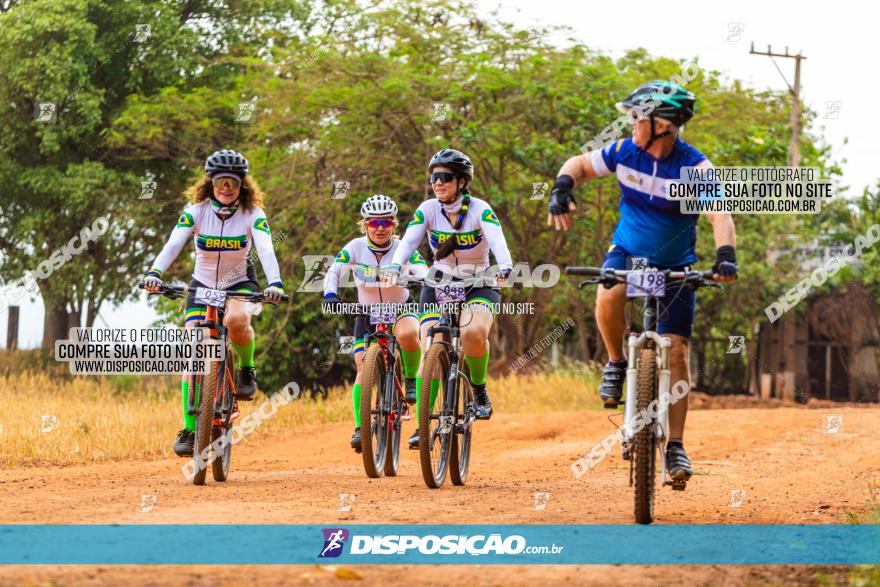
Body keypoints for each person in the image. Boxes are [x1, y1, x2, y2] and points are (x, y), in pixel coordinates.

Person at [547, 81, 738, 483]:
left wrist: (725, 255)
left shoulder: (693, 167)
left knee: (679, 352)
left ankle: (676, 448)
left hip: (676, 265)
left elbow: (720, 213)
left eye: (638, 118)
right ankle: (616, 362)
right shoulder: (624, 151)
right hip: (628, 254)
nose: (630, 123)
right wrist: (562, 189)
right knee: (608, 290)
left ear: (663, 125)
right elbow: (579, 165)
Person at [143, 149, 285, 456]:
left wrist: (275, 283)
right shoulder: (195, 210)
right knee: (195, 349)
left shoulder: (253, 214)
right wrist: (155, 273)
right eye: (220, 181)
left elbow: (266, 249)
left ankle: (246, 367)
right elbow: (173, 244)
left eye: (232, 182)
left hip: (240, 282)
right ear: (211, 183)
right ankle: (189, 427)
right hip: (202, 284)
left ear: (241, 185)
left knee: (236, 321)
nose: (226, 187)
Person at [386, 149, 513, 450]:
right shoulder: (428, 209)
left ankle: (480, 389)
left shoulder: (480, 210)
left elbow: (498, 241)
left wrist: (505, 266)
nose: (438, 183)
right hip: (438, 282)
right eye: (434, 177)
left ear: (461, 181)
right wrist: (394, 265)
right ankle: (422, 423)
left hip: (478, 282)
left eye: (444, 177)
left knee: (472, 333)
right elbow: (408, 241)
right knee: (430, 346)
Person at [322, 195, 427, 451]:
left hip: (401, 307)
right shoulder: (355, 247)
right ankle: (361, 427)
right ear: (365, 225)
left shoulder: (404, 247)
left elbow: (423, 269)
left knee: (409, 334)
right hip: (368, 313)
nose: (380, 228)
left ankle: (411, 379)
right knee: (362, 368)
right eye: (373, 223)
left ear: (394, 225)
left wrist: (420, 279)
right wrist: (330, 294)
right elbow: (334, 270)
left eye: (386, 222)